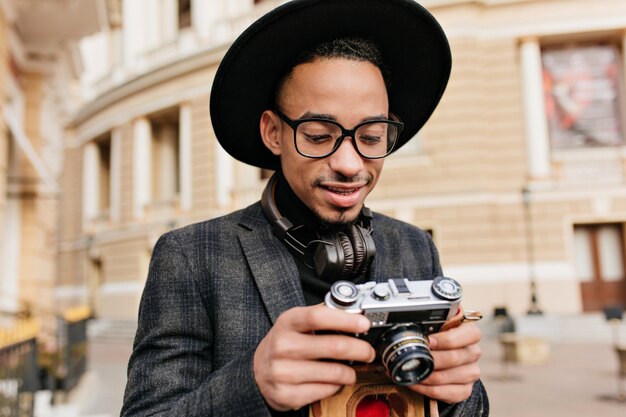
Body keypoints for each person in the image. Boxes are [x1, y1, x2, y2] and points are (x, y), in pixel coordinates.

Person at [121, 0, 489, 416]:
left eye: (371, 136)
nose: (350, 165)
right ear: (273, 133)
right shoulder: (190, 256)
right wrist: (252, 383)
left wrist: (460, 390)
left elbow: (466, 407)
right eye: (318, 135)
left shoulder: (415, 245)